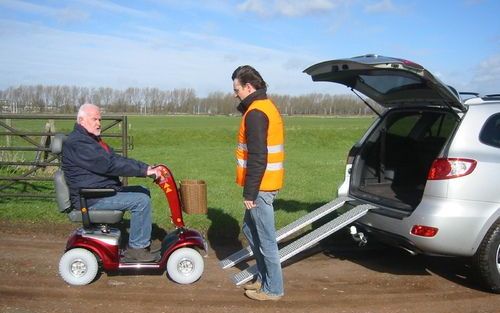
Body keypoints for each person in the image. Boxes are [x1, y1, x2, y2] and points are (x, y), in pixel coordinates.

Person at [62, 103, 162, 262]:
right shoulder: (79, 143)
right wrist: (144, 172)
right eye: (94, 119)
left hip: (100, 190)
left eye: (99, 119)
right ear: (81, 120)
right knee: (141, 200)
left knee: (143, 190)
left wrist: (146, 167)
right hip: (91, 197)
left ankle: (142, 241)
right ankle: (137, 249)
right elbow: (109, 165)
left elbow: (115, 159)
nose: (98, 123)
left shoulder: (90, 140)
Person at [232, 65, 285, 301]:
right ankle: (265, 280)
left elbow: (258, 156)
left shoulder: (256, 112)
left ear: (249, 87)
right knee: (249, 231)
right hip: (262, 185)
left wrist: (250, 193)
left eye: (237, 89)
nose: (235, 94)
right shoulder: (262, 107)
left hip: (261, 188)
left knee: (265, 239)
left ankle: (273, 289)